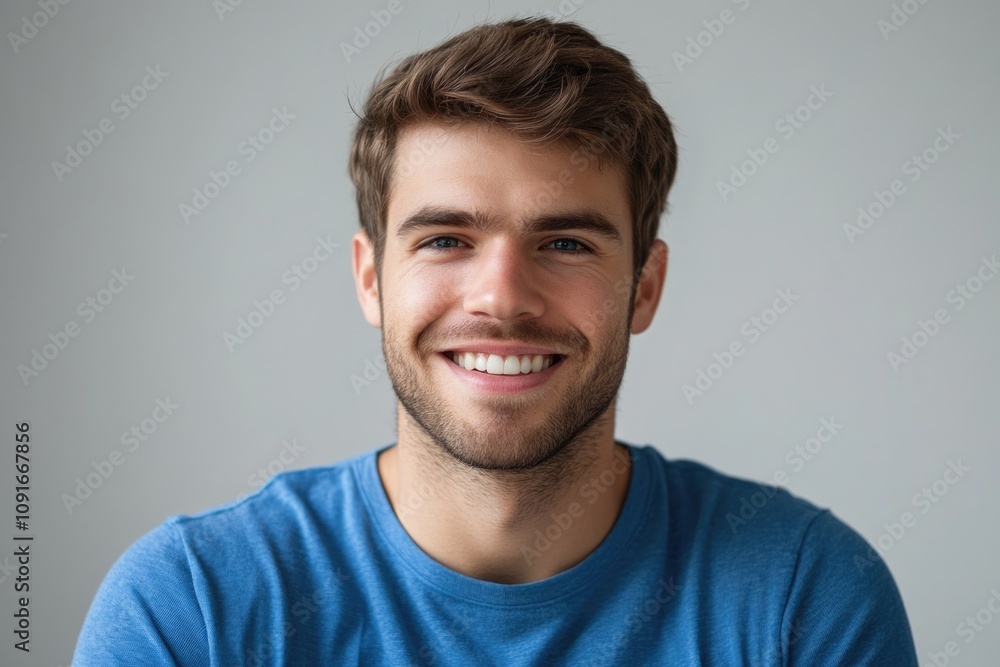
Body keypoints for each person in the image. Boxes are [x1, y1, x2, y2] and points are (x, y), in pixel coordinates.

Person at [73, 16, 919, 666]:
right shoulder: (194, 607)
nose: (501, 299)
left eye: (565, 243)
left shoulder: (803, 599)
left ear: (646, 286)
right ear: (371, 278)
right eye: (444, 239)